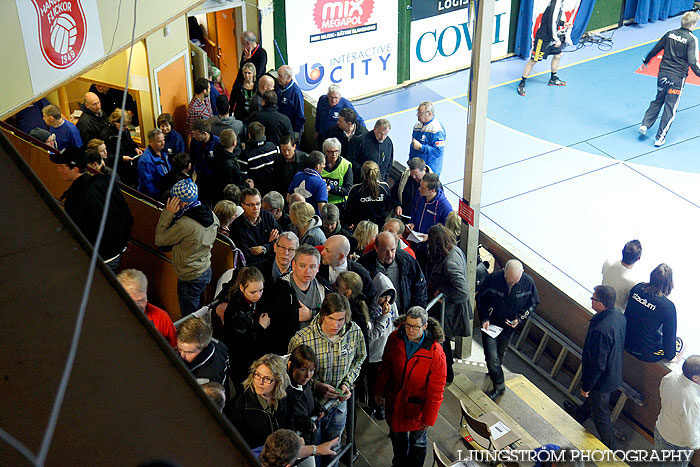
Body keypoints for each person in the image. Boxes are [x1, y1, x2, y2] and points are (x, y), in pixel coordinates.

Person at [287, 293, 366, 466]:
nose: (336, 325)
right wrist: (316, 385)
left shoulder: (354, 332)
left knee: (334, 448)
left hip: (339, 405)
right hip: (312, 408)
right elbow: (292, 374)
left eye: (341, 320)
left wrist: (347, 383)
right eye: (332, 319)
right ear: (323, 315)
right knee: (314, 451)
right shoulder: (302, 338)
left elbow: (359, 358)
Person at [374, 306, 447, 467]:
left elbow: (436, 389)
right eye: (407, 325)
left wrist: (429, 418)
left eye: (415, 327)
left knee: (418, 442)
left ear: (425, 326)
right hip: (395, 402)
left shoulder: (435, 353)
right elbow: (385, 366)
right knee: (397, 438)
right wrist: (379, 391)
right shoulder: (395, 338)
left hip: (417, 408)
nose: (410, 330)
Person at [50, 147, 133, 272]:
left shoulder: (74, 198)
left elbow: (77, 235)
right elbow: (125, 212)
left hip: (99, 258)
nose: (59, 169)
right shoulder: (105, 180)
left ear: (75, 169)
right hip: (118, 250)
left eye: (62, 166)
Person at [155, 179, 219, 316]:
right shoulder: (211, 214)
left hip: (190, 275)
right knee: (199, 308)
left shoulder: (185, 224)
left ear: (180, 201)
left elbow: (160, 240)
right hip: (205, 269)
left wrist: (168, 213)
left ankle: (191, 336)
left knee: (189, 317)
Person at [477, 259, 539, 400]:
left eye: (515, 282)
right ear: (504, 271)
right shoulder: (492, 280)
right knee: (491, 356)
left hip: (509, 326)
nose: (511, 284)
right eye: (509, 281)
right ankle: (499, 385)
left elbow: (533, 303)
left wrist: (519, 318)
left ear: (522, 274)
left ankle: (493, 372)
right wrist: (484, 318)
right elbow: (480, 298)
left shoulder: (528, 283)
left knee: (499, 354)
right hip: (491, 323)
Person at [639, 11, 700, 146]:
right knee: (670, 107)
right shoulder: (691, 39)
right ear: (693, 24)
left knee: (658, 99)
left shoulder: (670, 33)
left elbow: (656, 49)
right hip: (677, 78)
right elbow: (692, 61)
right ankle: (660, 137)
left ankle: (645, 124)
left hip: (662, 74)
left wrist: (646, 61)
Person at [579, 285, 626, 450]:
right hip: (613, 373)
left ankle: (610, 448)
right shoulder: (619, 318)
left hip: (602, 381)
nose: (591, 300)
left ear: (601, 304)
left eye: (593, 298)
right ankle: (579, 414)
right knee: (592, 402)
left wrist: (586, 386)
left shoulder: (601, 330)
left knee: (600, 415)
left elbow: (597, 365)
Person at [426, 224, 471, 382]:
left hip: (449, 313)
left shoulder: (450, 264)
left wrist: (443, 291)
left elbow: (462, 291)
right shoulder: (455, 250)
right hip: (449, 312)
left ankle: (447, 375)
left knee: (440, 342)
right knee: (443, 344)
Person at [221, 266, 272, 392]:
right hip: (239, 361)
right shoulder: (236, 311)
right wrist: (261, 327)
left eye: (260, 290)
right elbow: (244, 343)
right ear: (242, 288)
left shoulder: (254, 301)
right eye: (253, 292)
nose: (258, 295)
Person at [229, 354, 290, 450]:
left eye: (267, 378)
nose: (260, 382)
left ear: (278, 381)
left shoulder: (284, 399)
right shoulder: (239, 406)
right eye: (257, 375)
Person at [359, 231, 428, 314]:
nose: (390, 255)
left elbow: (419, 287)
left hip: (403, 314)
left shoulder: (407, 261)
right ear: (376, 248)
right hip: (375, 316)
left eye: (393, 250)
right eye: (385, 251)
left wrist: (415, 313)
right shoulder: (364, 264)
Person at [624, 263, 679, 362]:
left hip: (623, 339)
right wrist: (671, 357)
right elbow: (669, 337)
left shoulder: (637, 288)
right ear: (669, 283)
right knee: (679, 342)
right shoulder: (668, 307)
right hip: (643, 352)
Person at [653, 355, 700, 467]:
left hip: (661, 429)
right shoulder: (692, 401)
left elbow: (662, 394)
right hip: (676, 445)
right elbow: (691, 439)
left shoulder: (671, 376)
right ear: (695, 378)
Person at [516, 0, 571, 96]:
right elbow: (551, 23)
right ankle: (522, 83)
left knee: (558, 55)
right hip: (543, 39)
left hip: (551, 37)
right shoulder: (556, 4)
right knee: (533, 61)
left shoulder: (559, 3)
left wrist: (563, 24)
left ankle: (553, 79)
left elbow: (551, 19)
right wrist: (556, 39)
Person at [364, 272, 398, 419]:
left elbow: (396, 323)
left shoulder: (392, 305)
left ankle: (381, 407)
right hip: (373, 354)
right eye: (383, 296)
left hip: (387, 352)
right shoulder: (368, 310)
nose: (387, 300)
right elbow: (372, 335)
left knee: (385, 383)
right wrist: (383, 317)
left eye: (389, 297)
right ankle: (373, 405)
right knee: (373, 384)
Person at [116, 269, 177, 347]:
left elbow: (175, 348)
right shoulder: (108, 317)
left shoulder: (161, 317)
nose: (138, 307)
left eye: (142, 300)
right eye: (133, 302)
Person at [176, 317, 230, 400]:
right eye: (179, 349)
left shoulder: (207, 380)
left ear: (204, 346)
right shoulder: (215, 342)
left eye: (189, 352)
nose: (182, 355)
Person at [229, 187, 281, 266]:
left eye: (258, 204)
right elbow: (247, 261)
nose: (256, 208)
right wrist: (272, 247)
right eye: (251, 205)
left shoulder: (267, 216)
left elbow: (281, 240)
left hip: (273, 265)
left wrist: (264, 248)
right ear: (243, 206)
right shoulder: (237, 228)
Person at [320, 235, 376, 299]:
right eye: (324, 248)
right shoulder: (317, 267)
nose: (322, 252)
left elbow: (371, 299)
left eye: (327, 251)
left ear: (340, 256)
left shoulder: (361, 273)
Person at [345, 161, 392, 229]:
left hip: (359, 227)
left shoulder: (356, 189)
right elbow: (388, 207)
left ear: (363, 174)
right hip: (378, 228)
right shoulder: (384, 188)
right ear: (378, 173)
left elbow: (348, 212)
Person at [601, 239, 643, 312]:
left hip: (600, 308)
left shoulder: (609, 262)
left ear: (622, 251)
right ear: (639, 258)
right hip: (615, 316)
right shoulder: (635, 282)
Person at [239, 121, 278, 196]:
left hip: (256, 193)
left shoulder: (245, 155)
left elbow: (243, 176)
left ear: (249, 135)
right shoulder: (274, 148)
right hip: (275, 189)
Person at [409, 101, 446, 176]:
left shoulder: (437, 130)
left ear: (429, 114)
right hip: (416, 168)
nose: (417, 115)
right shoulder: (417, 125)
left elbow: (438, 152)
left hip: (429, 171)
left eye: (420, 113)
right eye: (417, 112)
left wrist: (421, 147)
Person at [189, 118, 220, 203]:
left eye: (197, 134)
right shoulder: (194, 142)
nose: (194, 136)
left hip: (214, 181)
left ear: (205, 134)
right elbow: (192, 158)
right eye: (193, 134)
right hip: (201, 179)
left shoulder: (217, 143)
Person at [321, 137, 353, 216]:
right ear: (325, 152)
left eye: (336, 151)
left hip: (339, 205)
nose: (334, 154)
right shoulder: (320, 163)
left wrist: (331, 188)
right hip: (322, 202)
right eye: (330, 152)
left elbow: (348, 189)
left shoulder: (346, 165)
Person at [138, 128, 170, 199]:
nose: (163, 143)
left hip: (166, 189)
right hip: (155, 195)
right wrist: (161, 197)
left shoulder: (163, 152)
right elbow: (148, 185)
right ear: (151, 142)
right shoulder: (145, 161)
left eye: (163, 140)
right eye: (159, 141)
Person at [212, 128, 243, 198]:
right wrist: (246, 186)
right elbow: (232, 189)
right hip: (229, 197)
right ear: (234, 143)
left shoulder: (217, 152)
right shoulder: (229, 165)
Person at [276, 65, 306, 137]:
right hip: (281, 128)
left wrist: (296, 134)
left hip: (292, 130)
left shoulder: (296, 93)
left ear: (289, 77)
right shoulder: (279, 88)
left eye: (280, 76)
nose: (278, 78)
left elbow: (300, 115)